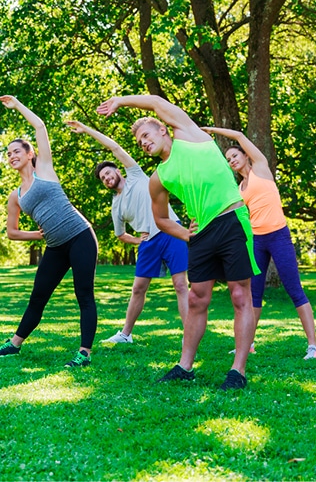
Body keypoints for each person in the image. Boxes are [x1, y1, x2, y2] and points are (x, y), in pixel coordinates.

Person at [96, 95, 260, 390]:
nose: (143, 143)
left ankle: (238, 371)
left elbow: (156, 101)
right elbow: (160, 220)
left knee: (239, 295)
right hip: (201, 234)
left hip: (232, 220)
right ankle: (185, 366)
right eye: (139, 143)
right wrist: (187, 234)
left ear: (162, 129)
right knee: (197, 299)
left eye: (146, 135)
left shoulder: (188, 134)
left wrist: (120, 101)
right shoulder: (157, 178)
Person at [0, 96, 98, 367]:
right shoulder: (16, 196)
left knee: (84, 294)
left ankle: (84, 353)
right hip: (56, 247)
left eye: (17, 151)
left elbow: (40, 127)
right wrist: (36, 235)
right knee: (38, 296)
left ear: (30, 154)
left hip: (80, 237)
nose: (12, 156)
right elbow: (12, 232)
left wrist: (17, 106)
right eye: (8, 154)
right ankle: (14, 344)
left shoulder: (45, 170)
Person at [202, 126, 316, 360]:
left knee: (294, 290)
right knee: (252, 295)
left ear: (246, 155)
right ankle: (248, 344)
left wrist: (209, 131)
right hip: (256, 241)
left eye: (234, 155)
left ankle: (313, 346)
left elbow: (239, 136)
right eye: (228, 159)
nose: (231, 160)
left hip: (278, 236)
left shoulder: (261, 168)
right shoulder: (238, 189)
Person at [65, 121, 189, 344]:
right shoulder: (116, 207)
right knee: (138, 289)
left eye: (107, 173)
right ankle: (125, 334)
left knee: (180, 284)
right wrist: (136, 241)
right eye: (103, 178)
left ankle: (190, 332)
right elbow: (120, 234)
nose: (106, 178)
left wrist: (87, 130)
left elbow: (115, 148)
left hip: (171, 231)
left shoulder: (135, 175)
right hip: (149, 242)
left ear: (117, 170)